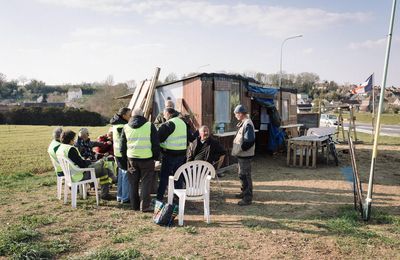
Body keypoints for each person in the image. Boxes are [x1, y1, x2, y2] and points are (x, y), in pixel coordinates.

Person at [56, 130, 115, 200]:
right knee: (103, 169)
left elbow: (77, 162)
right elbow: (82, 164)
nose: (74, 140)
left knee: (102, 167)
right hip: (79, 175)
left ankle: (112, 180)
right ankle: (106, 193)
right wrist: (89, 162)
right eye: (73, 139)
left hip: (69, 174)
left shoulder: (60, 148)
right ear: (70, 140)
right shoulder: (71, 149)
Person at [120, 108, 160, 212]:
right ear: (143, 115)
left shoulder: (126, 127)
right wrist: (156, 158)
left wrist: (125, 160)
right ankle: (145, 206)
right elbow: (155, 144)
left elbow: (122, 146)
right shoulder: (149, 125)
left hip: (131, 159)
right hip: (147, 159)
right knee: (146, 183)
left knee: (133, 183)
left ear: (132, 115)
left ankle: (135, 206)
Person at [157, 107, 195, 201]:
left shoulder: (169, 124)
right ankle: (178, 197)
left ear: (168, 114)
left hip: (169, 154)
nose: (163, 116)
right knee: (178, 177)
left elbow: (159, 138)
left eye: (164, 114)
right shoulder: (183, 123)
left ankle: (159, 198)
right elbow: (191, 138)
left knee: (164, 177)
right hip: (182, 155)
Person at [231, 105, 255, 206]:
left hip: (245, 155)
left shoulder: (247, 123)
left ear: (240, 114)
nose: (235, 116)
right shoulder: (244, 122)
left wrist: (242, 149)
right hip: (242, 155)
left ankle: (247, 198)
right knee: (242, 175)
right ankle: (244, 192)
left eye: (236, 114)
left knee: (245, 176)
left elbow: (249, 141)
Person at [110, 107, 131, 203]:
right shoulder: (121, 126)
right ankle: (125, 197)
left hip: (117, 152)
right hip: (122, 153)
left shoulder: (116, 123)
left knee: (121, 175)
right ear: (123, 115)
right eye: (129, 115)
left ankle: (120, 195)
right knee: (125, 174)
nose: (131, 117)